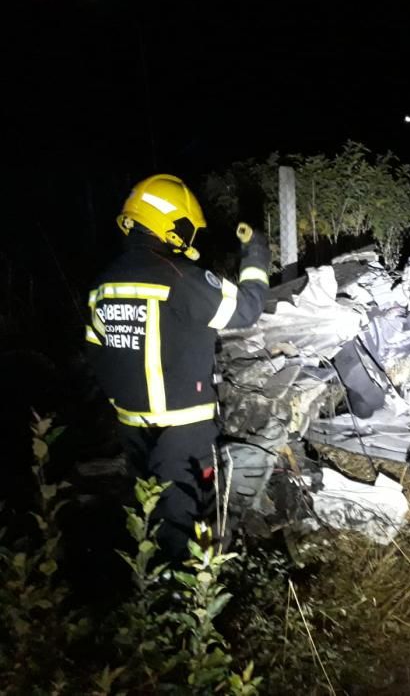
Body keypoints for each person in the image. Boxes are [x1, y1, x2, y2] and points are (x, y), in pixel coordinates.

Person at [85, 174, 270, 562]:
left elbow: (96, 351)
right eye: (187, 228)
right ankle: (192, 600)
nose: (189, 239)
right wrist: (256, 255)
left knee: (149, 512)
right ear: (169, 223)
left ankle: (149, 592)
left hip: (131, 425)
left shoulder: (103, 283)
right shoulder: (177, 276)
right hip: (183, 428)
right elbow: (247, 310)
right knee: (190, 520)